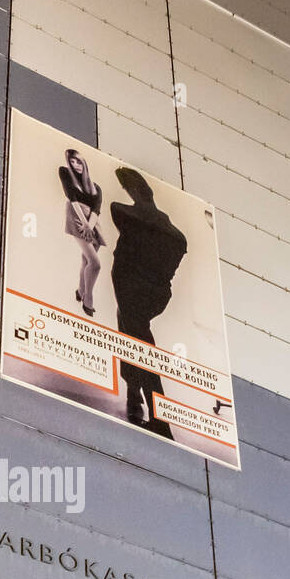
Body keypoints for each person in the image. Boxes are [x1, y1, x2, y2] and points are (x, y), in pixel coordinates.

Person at [109, 166, 187, 437]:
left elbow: (118, 210)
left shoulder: (124, 212)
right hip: (151, 295)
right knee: (132, 335)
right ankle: (134, 394)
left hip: (134, 290)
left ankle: (157, 415)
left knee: (140, 345)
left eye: (129, 189)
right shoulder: (177, 236)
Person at [59, 148, 105, 316]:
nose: (76, 165)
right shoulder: (64, 173)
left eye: (78, 161)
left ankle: (80, 290)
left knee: (86, 259)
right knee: (95, 263)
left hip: (92, 222)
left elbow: (97, 209)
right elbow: (72, 198)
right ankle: (88, 298)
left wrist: (90, 225)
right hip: (76, 216)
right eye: (72, 162)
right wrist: (84, 224)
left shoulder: (96, 188)